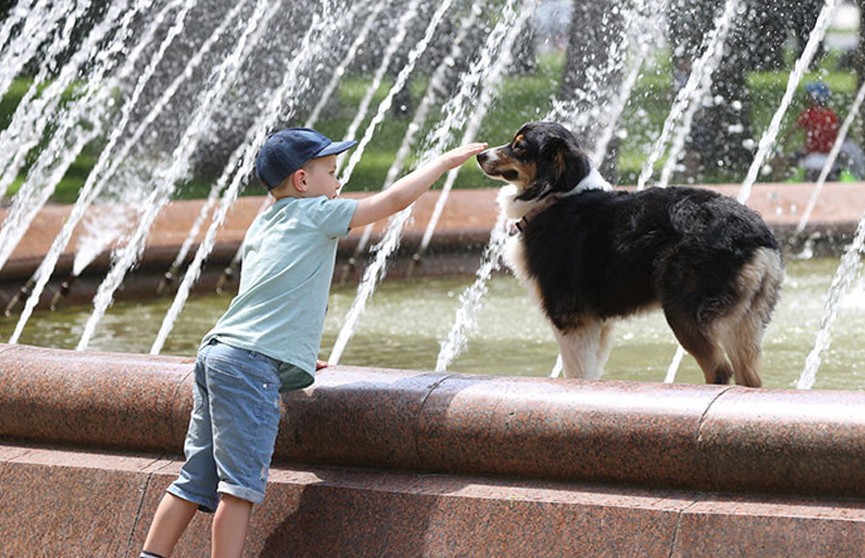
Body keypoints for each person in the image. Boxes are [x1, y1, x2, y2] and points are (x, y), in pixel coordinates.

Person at [140, 128, 487, 558]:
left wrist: (294, 352)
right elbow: (392, 202)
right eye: (332, 172)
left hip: (218, 353)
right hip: (250, 365)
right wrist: (442, 163)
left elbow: (266, 295)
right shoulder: (316, 213)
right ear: (303, 181)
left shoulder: (264, 223)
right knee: (239, 487)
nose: (338, 182)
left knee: (195, 478)